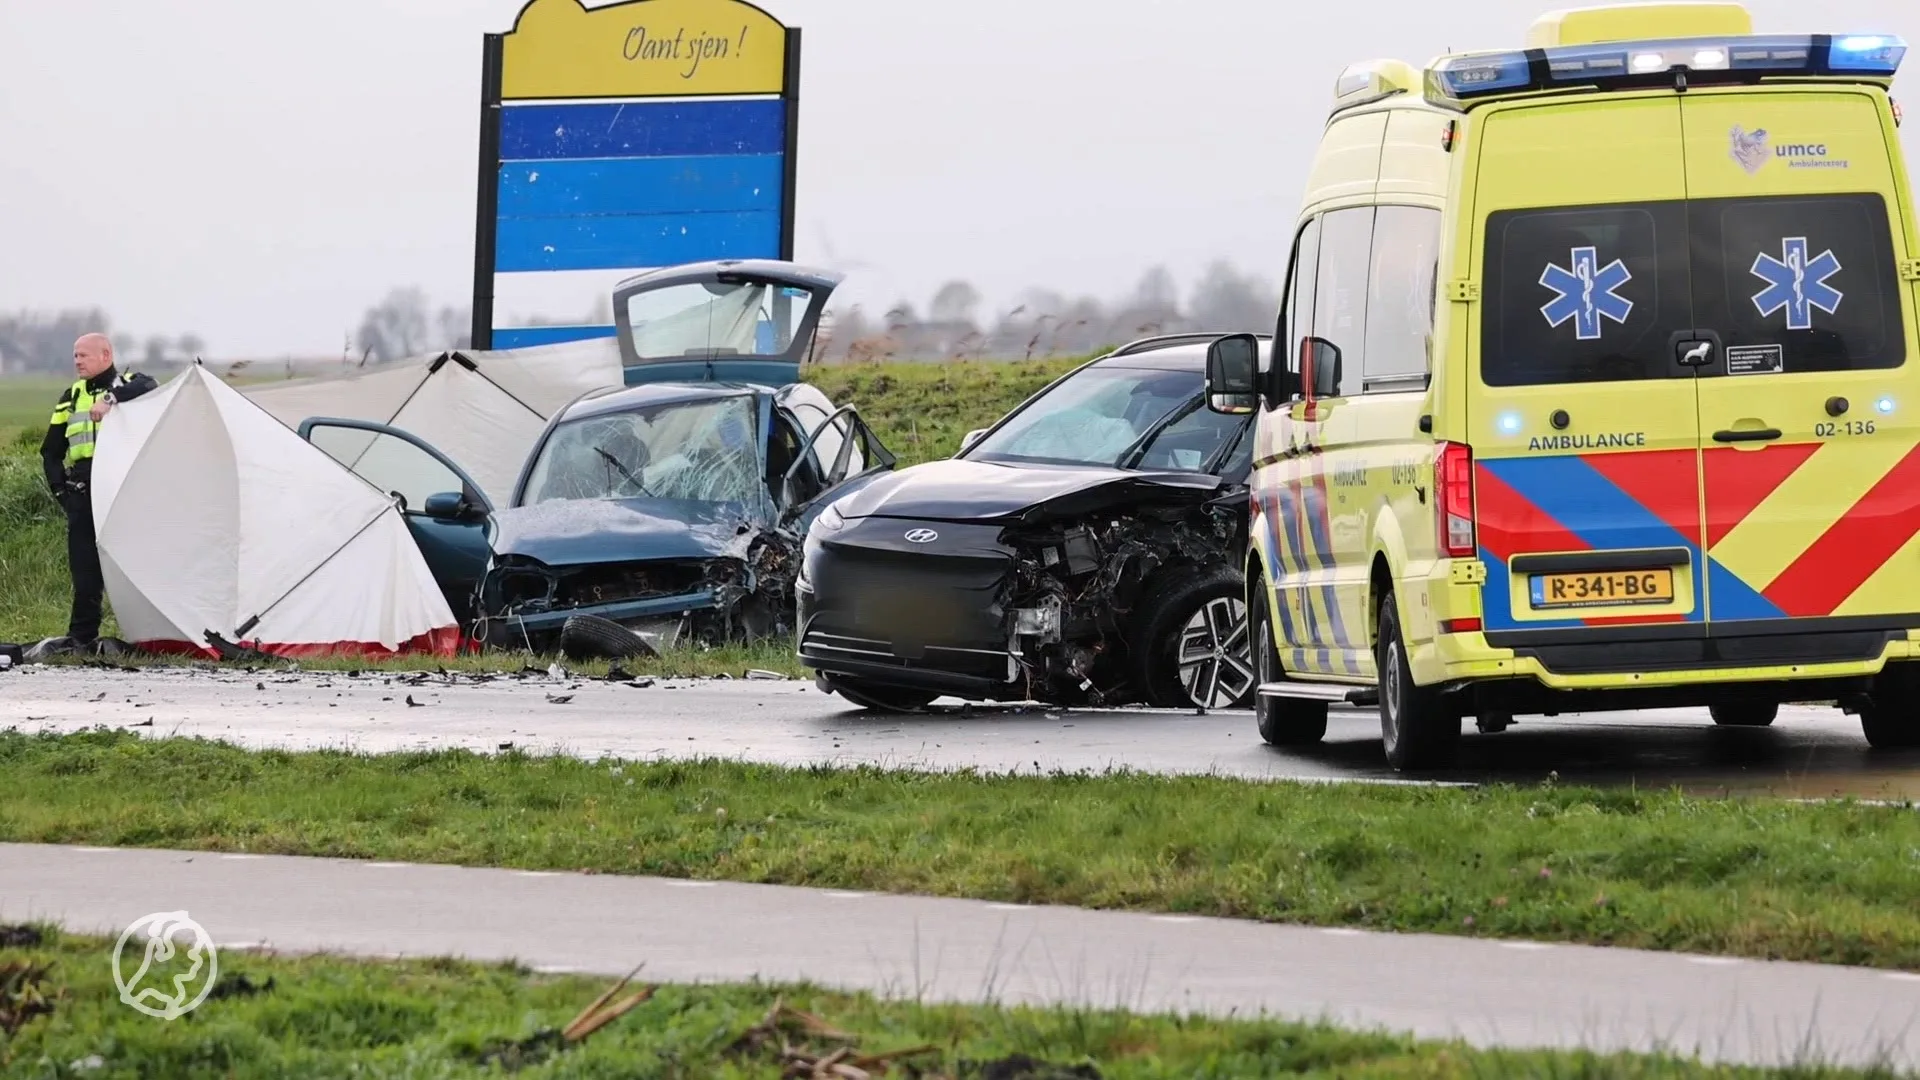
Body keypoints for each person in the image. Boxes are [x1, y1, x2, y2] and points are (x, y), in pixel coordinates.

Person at [40, 333, 157, 648]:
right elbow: (50, 451)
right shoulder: (71, 395)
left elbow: (150, 385)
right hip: (82, 487)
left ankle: (151, 635)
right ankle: (81, 637)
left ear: (105, 355)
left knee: (136, 563)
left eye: (83, 355)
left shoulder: (127, 382)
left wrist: (109, 400)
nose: (77, 361)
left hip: (121, 485)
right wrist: (61, 493)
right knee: (84, 568)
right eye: (75, 355)